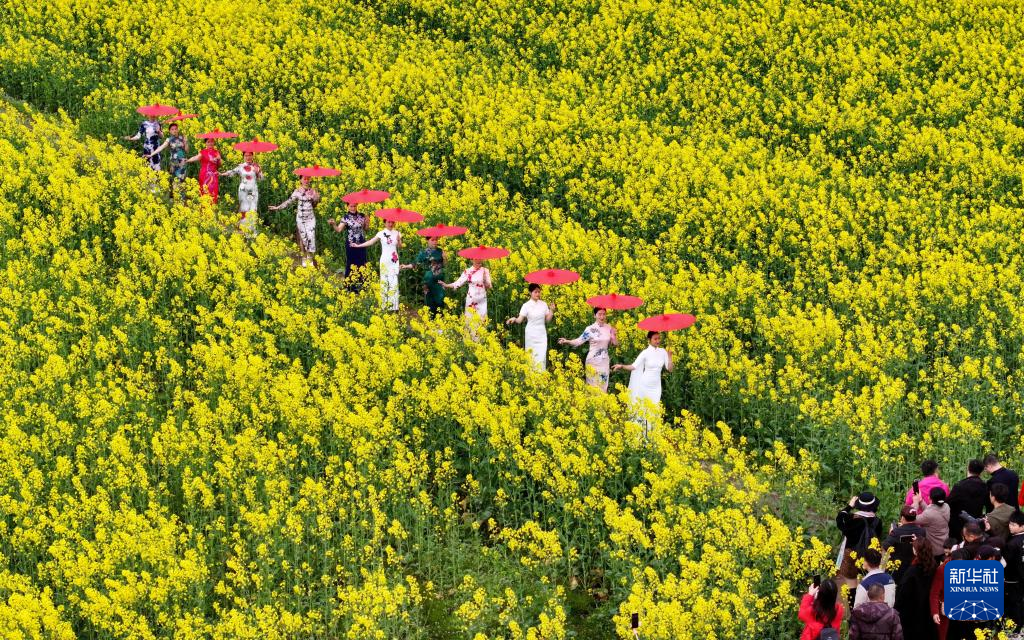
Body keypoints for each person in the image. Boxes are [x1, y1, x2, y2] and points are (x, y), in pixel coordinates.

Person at [612, 331, 673, 430]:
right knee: (643, 409)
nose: (658, 341)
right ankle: (641, 431)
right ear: (649, 340)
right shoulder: (645, 353)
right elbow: (634, 366)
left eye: (659, 338)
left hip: (656, 386)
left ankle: (652, 432)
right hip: (645, 385)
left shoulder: (663, 352)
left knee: (655, 407)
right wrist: (621, 366)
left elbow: (670, 369)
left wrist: (670, 357)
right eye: (655, 339)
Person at [558, 307, 619, 392]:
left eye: (604, 314)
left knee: (603, 387)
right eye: (599, 314)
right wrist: (567, 341)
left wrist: (614, 335)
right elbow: (578, 341)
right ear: (594, 315)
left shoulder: (609, 328)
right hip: (592, 362)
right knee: (592, 388)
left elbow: (615, 344)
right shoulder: (590, 329)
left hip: (604, 361)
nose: (602, 317)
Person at [350, 219, 404, 311]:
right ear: (385, 223)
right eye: (388, 222)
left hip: (394, 260)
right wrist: (358, 245)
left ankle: (394, 306)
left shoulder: (397, 233)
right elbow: (371, 242)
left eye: (392, 222)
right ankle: (384, 305)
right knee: (384, 280)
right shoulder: (381, 233)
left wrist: (399, 241)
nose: (391, 224)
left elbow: (400, 247)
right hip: (385, 259)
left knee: (394, 281)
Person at [269, 175, 320, 267]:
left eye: (308, 179)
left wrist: (316, 199)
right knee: (302, 238)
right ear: (300, 180)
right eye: (304, 179)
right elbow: (289, 201)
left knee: (311, 237)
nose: (306, 180)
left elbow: (314, 206)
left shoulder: (313, 191)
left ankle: (310, 258)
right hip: (301, 218)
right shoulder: (297, 191)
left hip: (310, 218)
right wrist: (278, 207)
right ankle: (304, 258)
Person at [893, 538, 938, 640]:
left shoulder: (912, 570)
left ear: (916, 551)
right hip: (929, 611)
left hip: (912, 613)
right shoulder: (934, 566)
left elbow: (902, 593)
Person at [506, 284, 555, 371]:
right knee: (531, 355)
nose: (538, 294)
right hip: (531, 334)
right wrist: (514, 319)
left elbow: (547, 320)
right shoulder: (526, 305)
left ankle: (541, 376)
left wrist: (551, 310)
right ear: (530, 293)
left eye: (539, 292)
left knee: (542, 356)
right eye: (535, 292)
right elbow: (520, 320)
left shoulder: (543, 304)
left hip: (542, 334)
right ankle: (531, 376)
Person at [220, 151, 263, 236]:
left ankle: (251, 229)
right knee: (244, 208)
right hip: (243, 190)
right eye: (246, 156)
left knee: (252, 208)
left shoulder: (257, 166)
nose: (248, 157)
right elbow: (232, 172)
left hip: (253, 190)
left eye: (250, 155)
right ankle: (243, 229)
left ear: (252, 156)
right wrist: (222, 174)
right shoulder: (241, 166)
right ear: (243, 157)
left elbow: (261, 178)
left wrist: (258, 172)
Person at [328, 202, 370, 287]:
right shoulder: (345, 217)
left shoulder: (362, 216)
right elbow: (339, 230)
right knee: (351, 262)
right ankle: (350, 285)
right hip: (351, 243)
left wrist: (367, 222)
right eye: (351, 206)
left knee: (362, 261)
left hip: (361, 242)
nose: (353, 208)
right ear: (347, 206)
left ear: (357, 206)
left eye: (354, 206)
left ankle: (363, 284)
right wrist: (334, 224)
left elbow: (366, 229)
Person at [442, 258, 492, 328]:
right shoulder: (467, 271)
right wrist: (446, 285)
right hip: (471, 300)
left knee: (482, 320)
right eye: (476, 259)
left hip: (482, 301)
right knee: (470, 319)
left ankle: (481, 335)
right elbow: (458, 283)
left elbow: (489, 286)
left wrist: (484, 280)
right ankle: (470, 335)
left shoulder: (485, 271)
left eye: (480, 259)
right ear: (472, 260)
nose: (479, 260)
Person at [883, 506, 927, 583]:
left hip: (897, 567)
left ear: (902, 518)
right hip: (914, 565)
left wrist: (891, 533)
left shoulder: (896, 532)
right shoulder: (922, 531)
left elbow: (886, 546)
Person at [946, 459, 988, 540]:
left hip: (958, 525)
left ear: (968, 469)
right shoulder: (984, 486)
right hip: (976, 523)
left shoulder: (959, 486)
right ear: (982, 472)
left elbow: (948, 503)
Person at [146, 122, 188, 199]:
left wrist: (186, 142)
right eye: (172, 129)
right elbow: (161, 147)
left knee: (182, 180)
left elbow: (186, 151)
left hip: (182, 162)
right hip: (174, 163)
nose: (174, 130)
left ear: (178, 130)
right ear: (170, 131)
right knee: (175, 180)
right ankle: (176, 198)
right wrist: (151, 154)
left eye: (176, 129)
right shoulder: (169, 139)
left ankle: (182, 199)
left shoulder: (182, 138)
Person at [912, 487, 950, 558]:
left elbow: (912, 518)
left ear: (930, 499)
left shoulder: (929, 514)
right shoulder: (946, 506)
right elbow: (932, 511)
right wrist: (921, 501)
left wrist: (915, 503)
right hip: (944, 545)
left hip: (934, 549)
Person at [185, 138, 223, 203]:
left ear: (214, 142)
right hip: (205, 175)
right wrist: (188, 160)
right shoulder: (203, 152)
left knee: (213, 191)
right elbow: (196, 157)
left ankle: (212, 207)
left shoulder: (216, 152)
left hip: (214, 175)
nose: (210, 143)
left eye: (212, 141)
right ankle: (204, 206)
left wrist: (219, 159)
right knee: (205, 190)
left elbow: (219, 165)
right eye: (208, 142)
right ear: (205, 143)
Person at [1004, 510, 1024, 628]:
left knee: (1014, 603)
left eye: (1013, 525)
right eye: (1010, 523)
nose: (1010, 526)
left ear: (1022, 526)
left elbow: (1006, 562)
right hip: (1021, 577)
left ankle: (1015, 627)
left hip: (1013, 579)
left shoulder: (1012, 544)